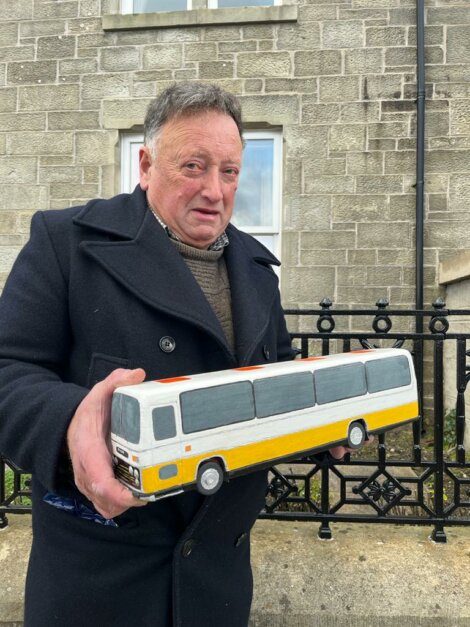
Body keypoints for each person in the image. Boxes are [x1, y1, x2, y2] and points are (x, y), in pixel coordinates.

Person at [0, 82, 348, 626]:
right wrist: (70, 424)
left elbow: (273, 391)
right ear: (145, 164)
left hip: (217, 586)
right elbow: (8, 372)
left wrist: (330, 411)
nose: (215, 190)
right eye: (193, 166)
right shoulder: (65, 242)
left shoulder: (258, 273)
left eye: (229, 171)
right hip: (99, 588)